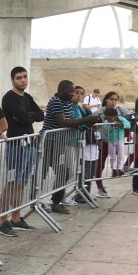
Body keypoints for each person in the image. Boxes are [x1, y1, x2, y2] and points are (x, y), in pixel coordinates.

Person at [40, 80, 100, 213]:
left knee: (64, 172)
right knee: (42, 173)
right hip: (50, 142)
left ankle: (56, 201)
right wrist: (85, 120)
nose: (73, 94)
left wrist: (87, 123)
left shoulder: (66, 103)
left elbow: (73, 121)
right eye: (71, 91)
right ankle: (36, 201)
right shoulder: (56, 101)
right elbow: (62, 122)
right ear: (62, 90)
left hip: (60, 142)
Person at [0, 66, 45, 236]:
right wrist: (28, 116)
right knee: (11, 183)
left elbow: (40, 115)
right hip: (15, 146)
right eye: (19, 78)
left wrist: (28, 115)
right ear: (13, 80)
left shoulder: (27, 97)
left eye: (25, 77)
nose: (23, 80)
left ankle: (16, 217)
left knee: (22, 182)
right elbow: (26, 118)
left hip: (29, 145)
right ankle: (2, 221)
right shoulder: (9, 98)